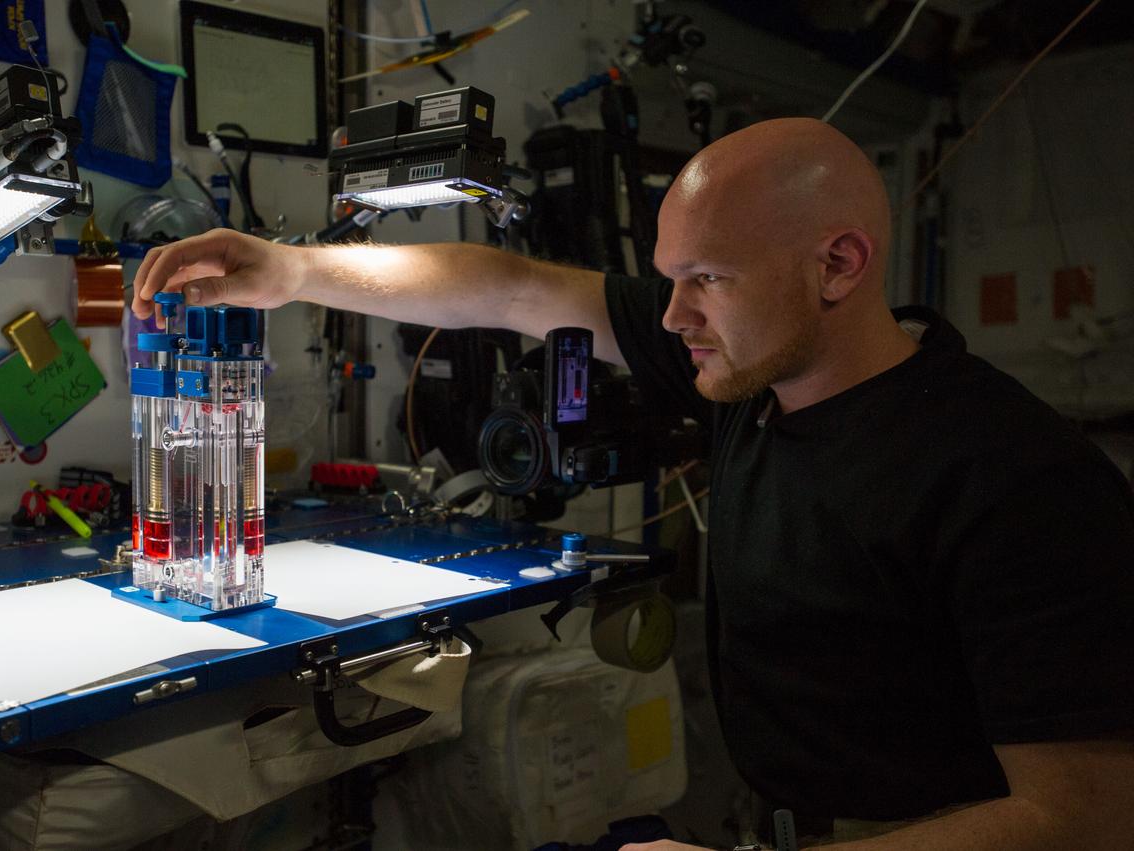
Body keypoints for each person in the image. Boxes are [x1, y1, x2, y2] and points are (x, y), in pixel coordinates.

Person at [133, 118, 1134, 850]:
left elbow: (1082, 814)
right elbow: (512, 288)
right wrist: (290, 268)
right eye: (669, 277)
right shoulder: (751, 380)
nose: (670, 317)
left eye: (707, 279)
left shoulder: (1012, 478)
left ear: (837, 264)